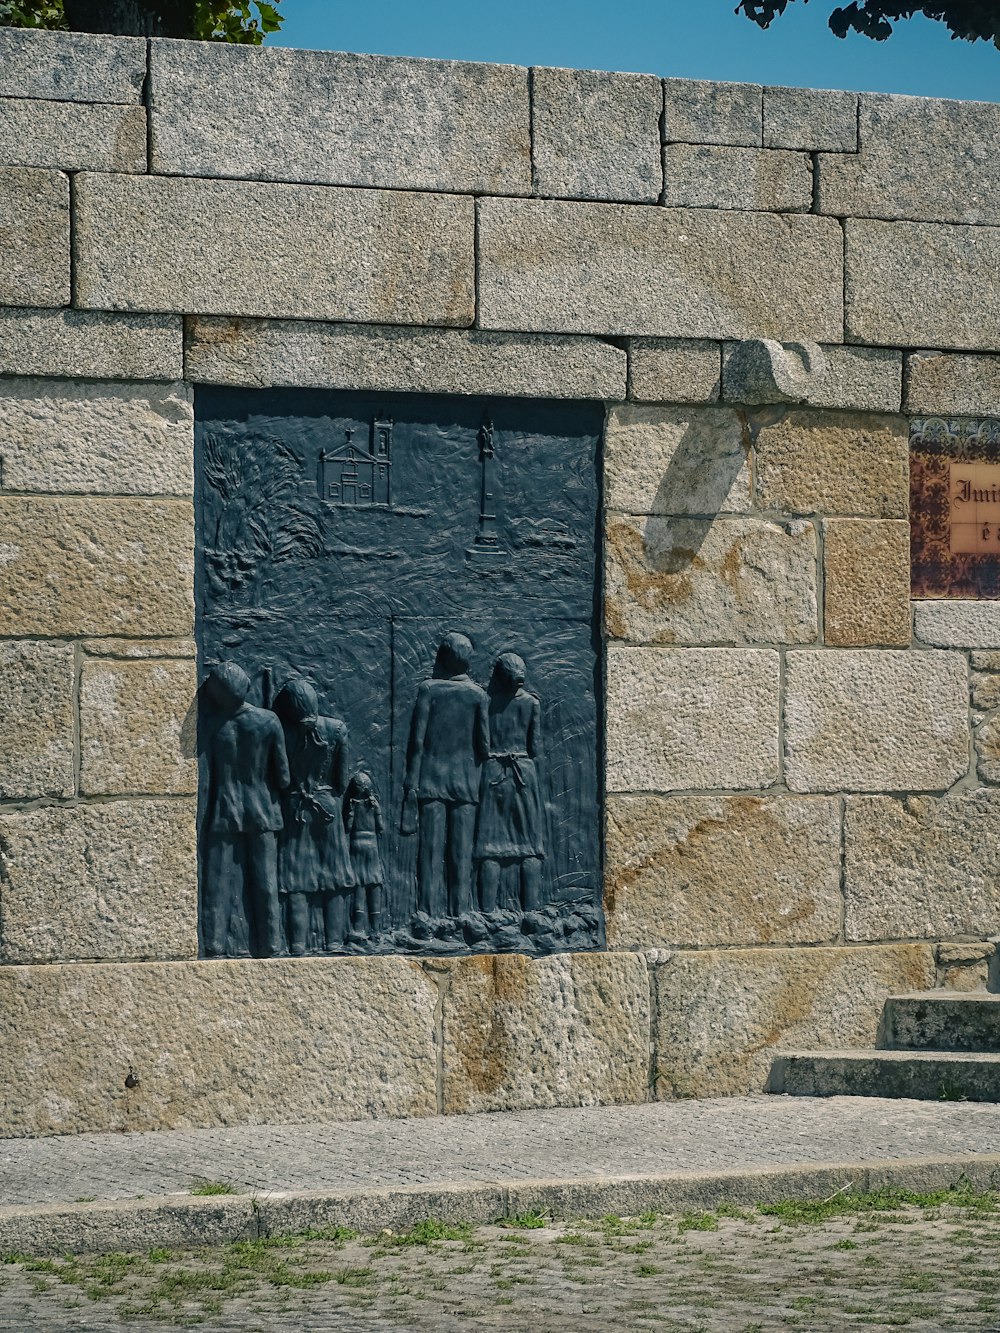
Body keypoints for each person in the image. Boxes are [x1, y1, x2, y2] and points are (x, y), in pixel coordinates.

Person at [202, 660, 289, 958]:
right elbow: (284, 776)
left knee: (217, 880)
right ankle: (272, 942)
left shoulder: (213, 725)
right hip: (263, 809)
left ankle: (213, 942)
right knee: (266, 881)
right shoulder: (269, 721)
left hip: (225, 809)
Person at [402, 631, 489, 919]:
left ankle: (427, 912)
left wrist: (411, 784)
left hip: (430, 781)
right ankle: (460, 911)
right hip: (465, 783)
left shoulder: (428, 690)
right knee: (461, 852)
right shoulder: (479, 696)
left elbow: (417, 741)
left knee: (429, 850)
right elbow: (484, 746)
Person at [273, 676, 354, 954]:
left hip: (295, 809)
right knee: (334, 877)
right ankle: (334, 942)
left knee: (296, 880)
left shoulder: (279, 730)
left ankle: (297, 945)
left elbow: (280, 780)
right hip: (328, 807)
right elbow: (342, 783)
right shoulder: (337, 729)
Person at [475, 652, 545, 913]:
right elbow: (535, 746)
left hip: (493, 772)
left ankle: (487, 911)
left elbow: (483, 745)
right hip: (524, 773)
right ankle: (532, 911)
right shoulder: (532, 704)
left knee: (490, 847)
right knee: (529, 845)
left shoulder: (486, 702)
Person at [345, 770, 386, 939]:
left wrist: (352, 812)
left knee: (360, 885)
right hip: (370, 845)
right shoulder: (373, 805)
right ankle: (375, 930)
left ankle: (359, 928)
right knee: (373, 883)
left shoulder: (353, 805)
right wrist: (376, 811)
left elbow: (348, 827)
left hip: (357, 845)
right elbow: (381, 828)